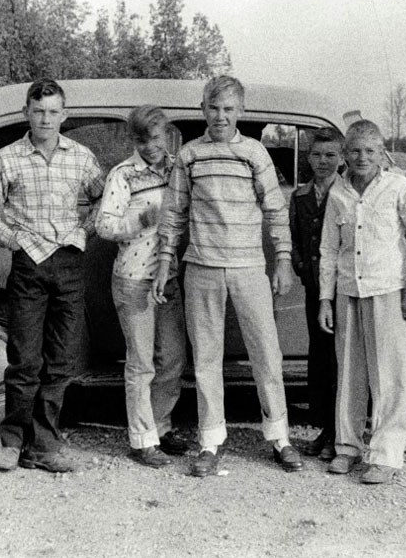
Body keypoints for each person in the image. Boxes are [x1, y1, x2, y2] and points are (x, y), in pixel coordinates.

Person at [153, 75, 303, 477]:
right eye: (214, 108)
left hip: (249, 267)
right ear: (203, 110)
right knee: (205, 359)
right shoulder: (189, 155)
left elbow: (275, 210)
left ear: (241, 112)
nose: (221, 116)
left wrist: (283, 260)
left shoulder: (255, 153)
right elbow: (174, 213)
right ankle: (211, 441)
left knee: (266, 355)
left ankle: (279, 438)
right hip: (201, 266)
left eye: (229, 109)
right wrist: (166, 261)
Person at [0, 78, 105, 473]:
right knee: (24, 359)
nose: (46, 119)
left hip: (68, 263)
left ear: (64, 115)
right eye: (38, 111)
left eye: (53, 112)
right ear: (26, 113)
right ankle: (12, 442)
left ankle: (44, 446)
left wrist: (84, 231)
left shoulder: (82, 157)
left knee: (61, 360)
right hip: (28, 264)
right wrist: (13, 241)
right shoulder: (7, 157)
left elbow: (104, 197)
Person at [318, 119, 406, 484]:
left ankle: (385, 454)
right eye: (354, 151)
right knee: (350, 373)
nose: (361, 157)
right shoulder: (338, 192)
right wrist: (325, 298)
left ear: (382, 153)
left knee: (388, 374)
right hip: (348, 290)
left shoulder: (399, 187)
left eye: (370, 151)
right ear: (345, 154)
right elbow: (328, 249)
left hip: (387, 290)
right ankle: (347, 448)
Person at [95, 105, 190, 468]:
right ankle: (141, 439)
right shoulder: (123, 174)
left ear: (166, 135)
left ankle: (162, 427)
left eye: (155, 137)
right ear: (132, 140)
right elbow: (104, 226)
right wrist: (143, 219)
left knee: (173, 358)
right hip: (134, 279)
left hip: (169, 278)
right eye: (140, 139)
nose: (149, 146)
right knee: (141, 362)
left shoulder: (177, 167)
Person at [289, 127, 345, 461]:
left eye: (330, 155)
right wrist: (298, 264)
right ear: (307, 157)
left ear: (341, 158)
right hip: (315, 288)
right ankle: (325, 425)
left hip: (345, 288)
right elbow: (294, 235)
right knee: (320, 359)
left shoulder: (348, 192)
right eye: (316, 155)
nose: (322, 162)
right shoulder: (300, 196)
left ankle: (339, 431)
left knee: (342, 359)